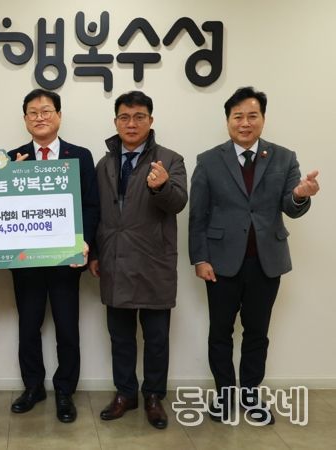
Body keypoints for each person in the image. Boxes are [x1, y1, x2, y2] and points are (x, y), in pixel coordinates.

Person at [189, 86, 319, 424]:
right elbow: (198, 215)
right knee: (220, 333)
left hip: (266, 262)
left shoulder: (283, 157)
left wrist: (301, 194)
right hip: (220, 263)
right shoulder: (208, 160)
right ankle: (224, 396)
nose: (245, 123)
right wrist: (200, 259)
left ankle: (250, 395)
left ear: (262, 118)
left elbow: (291, 206)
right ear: (228, 120)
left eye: (252, 116)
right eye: (238, 117)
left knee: (257, 333)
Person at [89, 91, 187, 430]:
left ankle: (154, 396)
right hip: (114, 261)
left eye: (139, 117)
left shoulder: (170, 160)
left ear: (151, 120)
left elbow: (178, 203)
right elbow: (98, 213)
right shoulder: (104, 164)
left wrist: (162, 187)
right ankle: (125, 394)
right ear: (116, 121)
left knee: (156, 339)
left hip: (153, 262)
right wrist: (96, 253)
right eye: (125, 117)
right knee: (120, 337)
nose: (131, 124)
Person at [7, 89, 99, 423]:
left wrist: (86, 243)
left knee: (67, 328)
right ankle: (33, 387)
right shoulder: (13, 157)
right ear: (25, 119)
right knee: (28, 327)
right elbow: (0, 208)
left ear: (59, 115)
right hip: (27, 262)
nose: (40, 117)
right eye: (33, 112)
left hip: (66, 260)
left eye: (46, 111)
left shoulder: (80, 156)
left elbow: (91, 205)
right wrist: (6, 175)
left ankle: (64, 391)